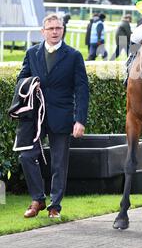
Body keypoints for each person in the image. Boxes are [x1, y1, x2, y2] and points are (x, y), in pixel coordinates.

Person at [16, 13, 89, 219]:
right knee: (26, 156)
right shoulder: (32, 53)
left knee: (58, 163)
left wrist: (80, 120)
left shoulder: (74, 55)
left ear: (63, 30)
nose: (55, 32)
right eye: (51, 29)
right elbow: (21, 79)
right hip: (34, 117)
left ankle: (55, 205)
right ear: (43, 31)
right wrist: (30, 84)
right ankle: (37, 199)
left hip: (62, 117)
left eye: (58, 28)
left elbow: (82, 90)